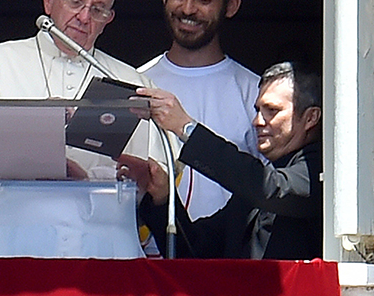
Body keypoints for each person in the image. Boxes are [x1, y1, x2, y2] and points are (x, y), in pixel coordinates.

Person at [0, 0, 168, 258]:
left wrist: (137, 178)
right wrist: (38, 134)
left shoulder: (130, 80)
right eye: (76, 2)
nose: (85, 17)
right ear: (49, 0)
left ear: (109, 18)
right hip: (10, 246)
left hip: (105, 249)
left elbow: (153, 181)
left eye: (98, 9)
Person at [119, 62, 323, 260]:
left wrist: (186, 128)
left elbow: (271, 188)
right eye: (258, 110)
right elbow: (196, 250)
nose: (257, 122)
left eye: (272, 110)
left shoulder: (324, 169)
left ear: (310, 118)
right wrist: (162, 196)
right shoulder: (254, 187)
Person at [138, 0, 260, 221]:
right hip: (147, 260)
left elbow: (271, 189)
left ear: (231, 5)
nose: (189, 9)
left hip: (231, 262)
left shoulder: (255, 93)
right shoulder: (137, 84)